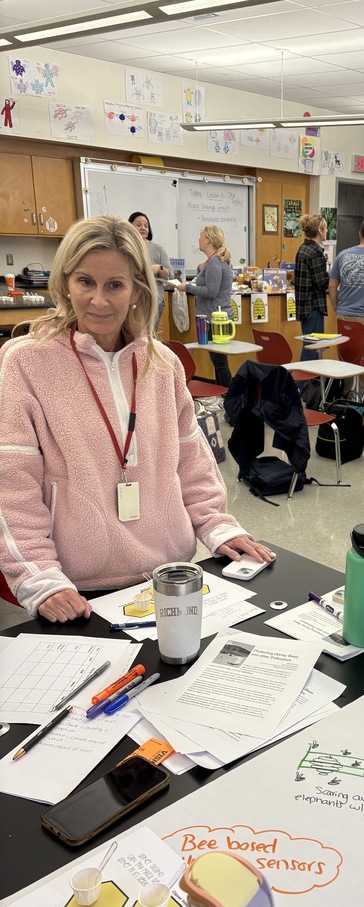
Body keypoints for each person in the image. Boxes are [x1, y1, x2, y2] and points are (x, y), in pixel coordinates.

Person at [0, 215, 274, 622]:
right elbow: (12, 484)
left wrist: (219, 526)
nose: (99, 300)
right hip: (77, 586)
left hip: (169, 574)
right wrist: (38, 577)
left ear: (136, 290)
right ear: (65, 283)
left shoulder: (162, 364)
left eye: (115, 285)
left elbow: (192, 463)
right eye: (85, 282)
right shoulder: (25, 362)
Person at [175, 225, 234, 388]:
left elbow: (211, 291)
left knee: (220, 363)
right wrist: (202, 268)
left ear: (208, 240)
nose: (199, 240)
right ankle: (225, 396)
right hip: (214, 317)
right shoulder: (213, 262)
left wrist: (187, 287)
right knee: (219, 362)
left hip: (215, 318)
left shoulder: (215, 263)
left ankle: (227, 397)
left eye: (201, 236)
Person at [128, 211, 171, 333]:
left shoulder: (158, 249)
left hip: (155, 299)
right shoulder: (126, 248)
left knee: (150, 335)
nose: (143, 228)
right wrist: (146, 270)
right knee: (134, 335)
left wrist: (159, 269)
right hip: (133, 299)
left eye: (146, 226)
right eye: (139, 224)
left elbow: (171, 274)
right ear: (130, 226)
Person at [294, 213, 329, 360]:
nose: (327, 231)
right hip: (313, 307)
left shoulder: (303, 248)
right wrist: (333, 278)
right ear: (320, 230)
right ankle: (299, 383)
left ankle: (309, 381)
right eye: (325, 228)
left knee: (310, 345)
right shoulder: (315, 252)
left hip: (304, 307)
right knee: (312, 348)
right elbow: (321, 283)